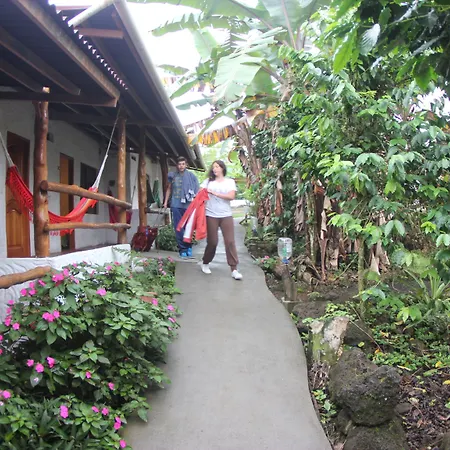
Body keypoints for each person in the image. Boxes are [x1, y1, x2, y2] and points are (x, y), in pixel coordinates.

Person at [200, 160, 243, 280]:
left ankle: (234, 269)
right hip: (211, 215)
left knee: (230, 241)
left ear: (222, 168)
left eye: (217, 167)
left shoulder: (229, 182)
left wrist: (214, 193)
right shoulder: (208, 182)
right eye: (213, 167)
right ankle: (205, 262)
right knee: (212, 242)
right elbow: (200, 194)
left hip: (226, 215)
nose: (215, 169)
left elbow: (231, 196)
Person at [163, 156, 199, 258]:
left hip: (188, 205)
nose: (181, 166)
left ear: (186, 165)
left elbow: (197, 190)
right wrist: (165, 202)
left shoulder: (191, 176)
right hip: (175, 204)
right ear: (177, 165)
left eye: (183, 164)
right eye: (179, 164)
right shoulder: (173, 176)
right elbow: (169, 189)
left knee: (188, 227)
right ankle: (182, 249)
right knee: (178, 227)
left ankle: (189, 246)